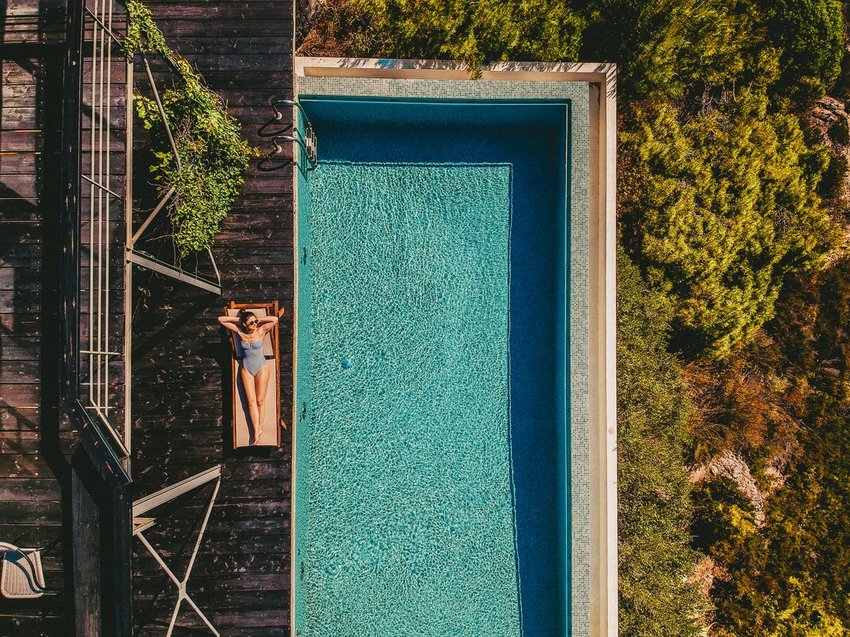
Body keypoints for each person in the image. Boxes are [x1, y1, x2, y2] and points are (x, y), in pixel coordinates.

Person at [218, 309, 279, 444]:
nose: (255, 324)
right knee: (250, 402)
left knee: (260, 401)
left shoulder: (261, 330)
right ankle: (256, 430)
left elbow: (275, 319)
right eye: (251, 322)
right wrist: (239, 320)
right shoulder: (239, 331)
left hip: (261, 367)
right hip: (246, 368)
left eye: (255, 321)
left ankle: (260, 428)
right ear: (244, 324)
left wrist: (258, 320)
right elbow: (221, 319)